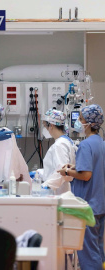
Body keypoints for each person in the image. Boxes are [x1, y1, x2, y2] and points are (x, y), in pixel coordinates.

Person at [58, 104, 105, 270]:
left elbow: (85, 175)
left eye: (81, 119)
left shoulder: (85, 145)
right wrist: (74, 167)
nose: (78, 121)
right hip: (100, 204)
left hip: (88, 206)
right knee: (97, 249)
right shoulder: (100, 142)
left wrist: (67, 172)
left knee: (88, 253)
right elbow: (93, 168)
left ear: (90, 123)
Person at [38, 109, 77, 195]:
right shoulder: (67, 141)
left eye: (45, 126)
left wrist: (45, 187)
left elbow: (61, 172)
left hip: (58, 191)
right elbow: (57, 168)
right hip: (62, 189)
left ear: (51, 125)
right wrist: (39, 173)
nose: (45, 130)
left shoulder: (59, 145)